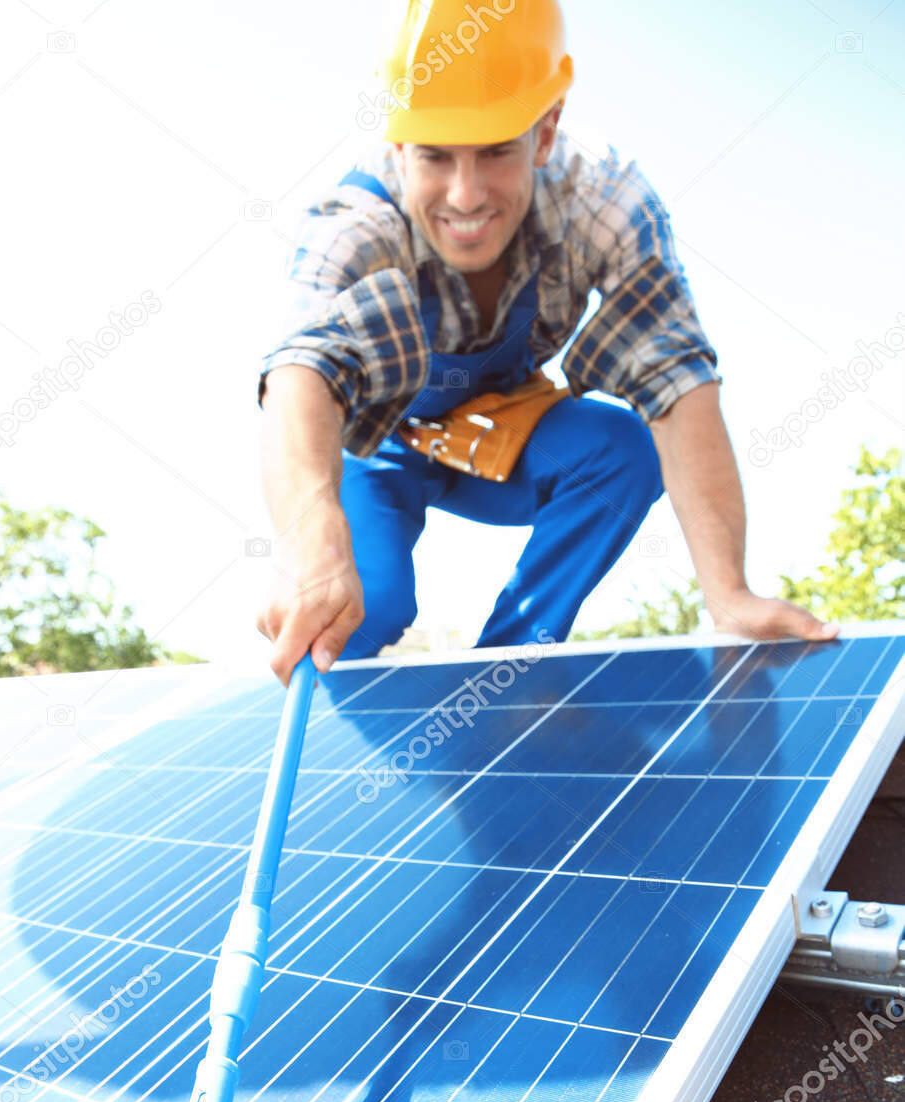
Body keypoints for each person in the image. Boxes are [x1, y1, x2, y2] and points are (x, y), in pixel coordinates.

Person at [256, 0, 837, 684]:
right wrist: (310, 540)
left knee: (621, 448)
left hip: (500, 434)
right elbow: (302, 374)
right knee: (362, 605)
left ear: (545, 130)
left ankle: (501, 677)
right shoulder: (353, 223)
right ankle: (340, 752)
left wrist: (728, 594)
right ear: (394, 143)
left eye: (496, 150)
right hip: (377, 447)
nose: (465, 196)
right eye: (435, 156)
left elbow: (675, 384)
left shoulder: (606, 204)